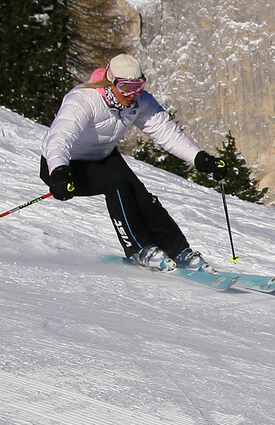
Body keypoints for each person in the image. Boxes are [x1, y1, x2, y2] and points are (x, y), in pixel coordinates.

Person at [39, 54, 228, 271]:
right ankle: (140, 249)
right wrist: (60, 172)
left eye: (138, 86)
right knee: (117, 184)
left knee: (141, 195)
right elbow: (59, 139)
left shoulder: (139, 101)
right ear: (111, 83)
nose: (133, 94)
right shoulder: (83, 100)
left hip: (103, 156)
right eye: (127, 87)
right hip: (66, 165)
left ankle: (179, 251)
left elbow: (167, 133)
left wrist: (200, 159)